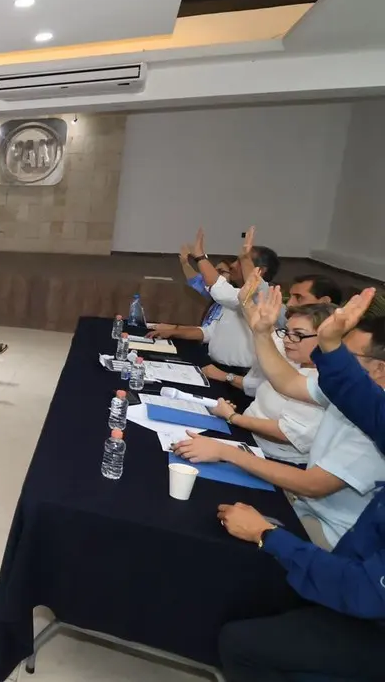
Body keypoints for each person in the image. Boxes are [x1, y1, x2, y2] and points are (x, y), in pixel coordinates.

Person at [215, 286, 385, 681]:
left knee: (241, 641)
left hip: (354, 583)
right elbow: (353, 397)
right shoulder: (367, 398)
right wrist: (329, 345)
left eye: (349, 351)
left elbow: (363, 591)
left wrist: (267, 536)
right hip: (345, 555)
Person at [173, 272, 385, 550]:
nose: (338, 361)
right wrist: (261, 332)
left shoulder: (373, 421)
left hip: (329, 533)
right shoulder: (351, 390)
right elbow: (287, 382)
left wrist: (226, 451)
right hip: (303, 504)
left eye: (348, 355)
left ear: (380, 367)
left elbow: (312, 485)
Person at [205, 303, 333, 465]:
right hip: (249, 438)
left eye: (298, 334)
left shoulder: (323, 381)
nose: (287, 339)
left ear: (328, 339)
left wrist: (232, 416)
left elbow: (286, 433)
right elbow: (263, 332)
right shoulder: (294, 357)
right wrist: (246, 300)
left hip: (275, 459)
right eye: (287, 331)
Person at [151, 227, 279, 370]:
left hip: (238, 375)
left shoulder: (263, 294)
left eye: (240, 261)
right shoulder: (234, 294)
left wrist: (201, 257)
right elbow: (210, 332)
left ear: (260, 270)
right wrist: (174, 331)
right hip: (215, 367)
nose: (233, 265)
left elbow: (221, 291)